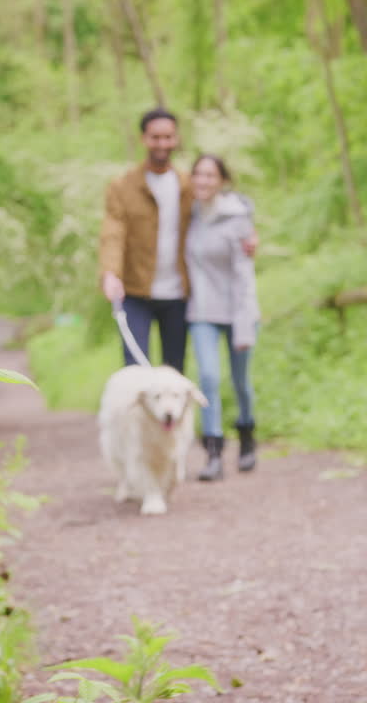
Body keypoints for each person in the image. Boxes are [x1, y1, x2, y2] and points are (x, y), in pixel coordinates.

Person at [98, 108, 256, 373]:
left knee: (174, 373)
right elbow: (113, 231)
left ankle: (171, 417)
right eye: (156, 137)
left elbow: (223, 206)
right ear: (144, 139)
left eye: (168, 137)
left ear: (176, 139)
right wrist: (110, 273)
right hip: (135, 291)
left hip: (178, 295)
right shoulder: (122, 186)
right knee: (136, 369)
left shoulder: (188, 185)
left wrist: (250, 233)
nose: (162, 143)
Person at [184, 154, 260, 481]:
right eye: (198, 174)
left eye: (210, 176)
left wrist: (244, 327)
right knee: (209, 379)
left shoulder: (238, 219)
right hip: (201, 311)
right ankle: (213, 453)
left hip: (237, 312)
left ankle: (247, 438)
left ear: (222, 181)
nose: (203, 181)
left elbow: (244, 277)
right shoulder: (189, 215)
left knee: (240, 382)